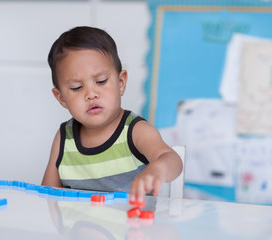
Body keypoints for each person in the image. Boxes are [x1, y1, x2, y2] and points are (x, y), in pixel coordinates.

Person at [41, 26, 183, 202]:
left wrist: (158, 169)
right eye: (77, 87)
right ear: (61, 98)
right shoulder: (64, 137)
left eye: (101, 81)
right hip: (75, 228)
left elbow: (171, 159)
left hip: (132, 227)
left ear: (121, 82)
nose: (91, 94)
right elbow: (46, 198)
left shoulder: (135, 131)